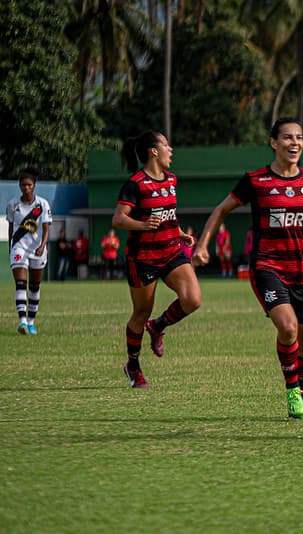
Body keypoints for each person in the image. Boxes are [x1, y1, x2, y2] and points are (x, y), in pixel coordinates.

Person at [193, 118, 303, 420]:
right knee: (288, 327)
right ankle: (293, 393)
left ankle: (302, 398)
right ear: (273, 143)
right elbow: (221, 210)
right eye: (287, 137)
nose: (294, 143)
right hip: (268, 266)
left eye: (299, 137)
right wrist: (203, 245)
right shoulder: (255, 180)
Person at [113, 131, 202, 388]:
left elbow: (168, 214)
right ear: (154, 151)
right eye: (166, 145)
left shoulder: (171, 179)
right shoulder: (136, 184)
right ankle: (133, 365)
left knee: (193, 299)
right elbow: (118, 219)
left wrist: (179, 232)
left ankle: (158, 326)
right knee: (141, 313)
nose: (170, 150)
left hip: (172, 251)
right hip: (144, 258)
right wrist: (142, 225)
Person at [6, 168, 52, 335]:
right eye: (23, 185)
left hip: (37, 249)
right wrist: (10, 247)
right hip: (19, 247)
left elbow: (46, 228)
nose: (26, 188)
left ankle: (31, 322)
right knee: (21, 283)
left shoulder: (42, 204)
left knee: (34, 286)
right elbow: (11, 227)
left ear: (34, 186)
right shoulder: (12, 205)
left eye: (29, 185)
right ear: (19, 186)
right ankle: (22, 322)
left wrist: (42, 246)